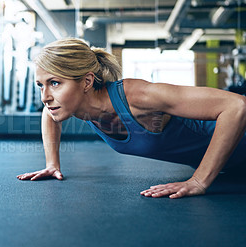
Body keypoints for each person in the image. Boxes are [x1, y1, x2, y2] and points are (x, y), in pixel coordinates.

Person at [16, 38, 246, 199]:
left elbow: (236, 105)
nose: (45, 96)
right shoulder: (72, 106)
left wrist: (199, 180)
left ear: (86, 82)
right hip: (233, 169)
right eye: (40, 85)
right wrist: (51, 164)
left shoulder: (137, 96)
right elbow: (48, 114)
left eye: (54, 83)